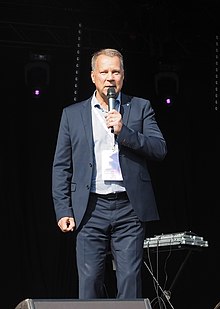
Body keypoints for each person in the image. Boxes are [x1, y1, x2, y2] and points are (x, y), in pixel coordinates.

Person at [52, 48, 167, 300]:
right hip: (90, 208)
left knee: (128, 280)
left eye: (115, 71)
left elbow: (159, 149)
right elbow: (61, 166)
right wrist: (63, 210)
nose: (110, 77)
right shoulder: (72, 115)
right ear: (93, 76)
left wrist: (124, 131)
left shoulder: (139, 107)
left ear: (123, 76)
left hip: (128, 207)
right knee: (90, 279)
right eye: (104, 72)